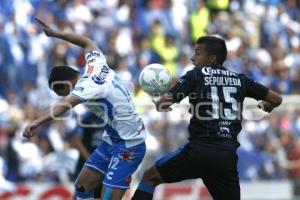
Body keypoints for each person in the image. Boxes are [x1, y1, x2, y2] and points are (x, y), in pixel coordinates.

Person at [132, 35, 283, 200]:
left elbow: (163, 104)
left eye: (197, 53)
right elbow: (276, 99)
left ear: (212, 58)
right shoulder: (240, 80)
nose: (192, 58)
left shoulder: (196, 75)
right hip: (226, 156)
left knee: (150, 176)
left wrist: (157, 96)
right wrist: (266, 106)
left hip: (198, 151)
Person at [23, 17, 147, 200]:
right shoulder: (94, 64)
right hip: (112, 139)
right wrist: (55, 33)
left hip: (130, 144)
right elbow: (87, 42)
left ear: (67, 83)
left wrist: (36, 122)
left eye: (62, 91)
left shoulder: (86, 86)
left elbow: (63, 106)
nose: (65, 95)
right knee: (82, 186)